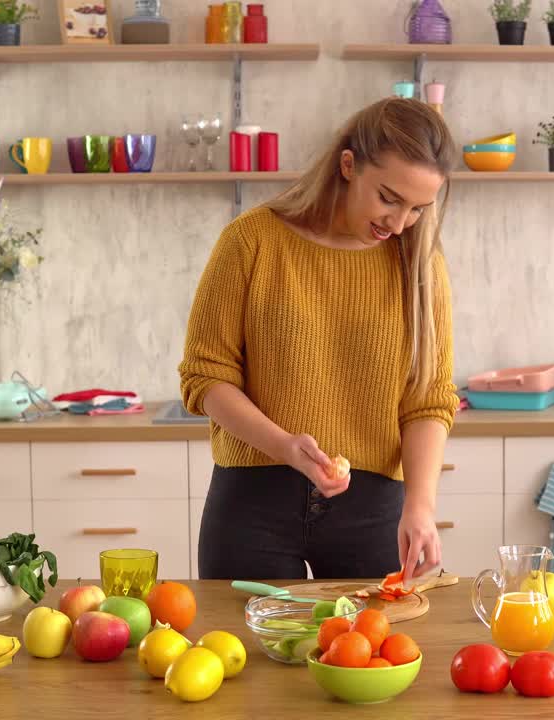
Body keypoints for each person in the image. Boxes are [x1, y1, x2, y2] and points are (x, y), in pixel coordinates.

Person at [178, 98, 458, 583]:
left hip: (374, 514)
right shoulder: (252, 242)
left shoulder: (419, 266)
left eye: (417, 209)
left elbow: (428, 402)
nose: (398, 223)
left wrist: (420, 505)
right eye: (389, 198)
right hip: (253, 503)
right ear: (348, 165)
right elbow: (206, 378)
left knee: (371, 657)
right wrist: (285, 446)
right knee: (240, 655)